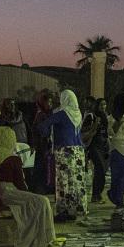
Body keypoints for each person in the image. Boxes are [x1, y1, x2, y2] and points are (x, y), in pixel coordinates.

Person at [0, 126, 55, 247]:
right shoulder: (11, 158)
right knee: (41, 201)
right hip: (5, 193)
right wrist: (28, 193)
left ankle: (41, 238)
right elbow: (20, 184)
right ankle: (40, 239)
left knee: (38, 200)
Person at [37, 89, 89, 222]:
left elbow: (43, 126)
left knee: (64, 182)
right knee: (76, 182)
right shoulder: (78, 113)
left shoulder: (62, 114)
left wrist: (47, 135)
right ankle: (76, 209)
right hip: (78, 152)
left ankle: (64, 211)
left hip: (65, 151)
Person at [81, 97, 110, 204]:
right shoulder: (91, 116)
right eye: (101, 104)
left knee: (101, 171)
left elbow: (105, 132)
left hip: (103, 146)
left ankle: (97, 194)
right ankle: (96, 195)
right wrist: (95, 125)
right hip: (93, 146)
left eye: (105, 104)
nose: (103, 107)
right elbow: (82, 130)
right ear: (97, 106)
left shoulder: (104, 116)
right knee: (100, 168)